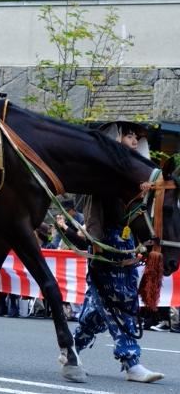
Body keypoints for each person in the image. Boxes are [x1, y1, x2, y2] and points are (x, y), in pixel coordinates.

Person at [74, 121, 164, 383]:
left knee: (97, 309)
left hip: (126, 242)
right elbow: (97, 217)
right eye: (129, 135)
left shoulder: (132, 177)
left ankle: (71, 349)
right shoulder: (105, 177)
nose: (135, 140)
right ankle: (131, 362)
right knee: (122, 303)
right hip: (107, 243)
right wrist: (96, 244)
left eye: (137, 137)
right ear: (115, 138)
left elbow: (139, 216)